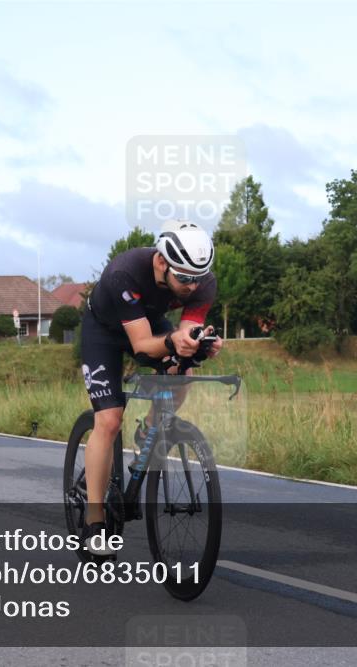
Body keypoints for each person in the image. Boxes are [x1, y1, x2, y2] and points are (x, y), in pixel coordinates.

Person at [78, 220, 223, 555]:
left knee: (180, 373)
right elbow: (143, 346)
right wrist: (173, 341)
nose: (191, 286)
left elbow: (186, 333)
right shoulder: (125, 273)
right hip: (105, 330)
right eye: (184, 278)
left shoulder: (201, 282)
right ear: (161, 262)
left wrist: (197, 344)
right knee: (110, 420)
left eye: (197, 278)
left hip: (148, 320)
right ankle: (94, 522)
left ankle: (147, 433)